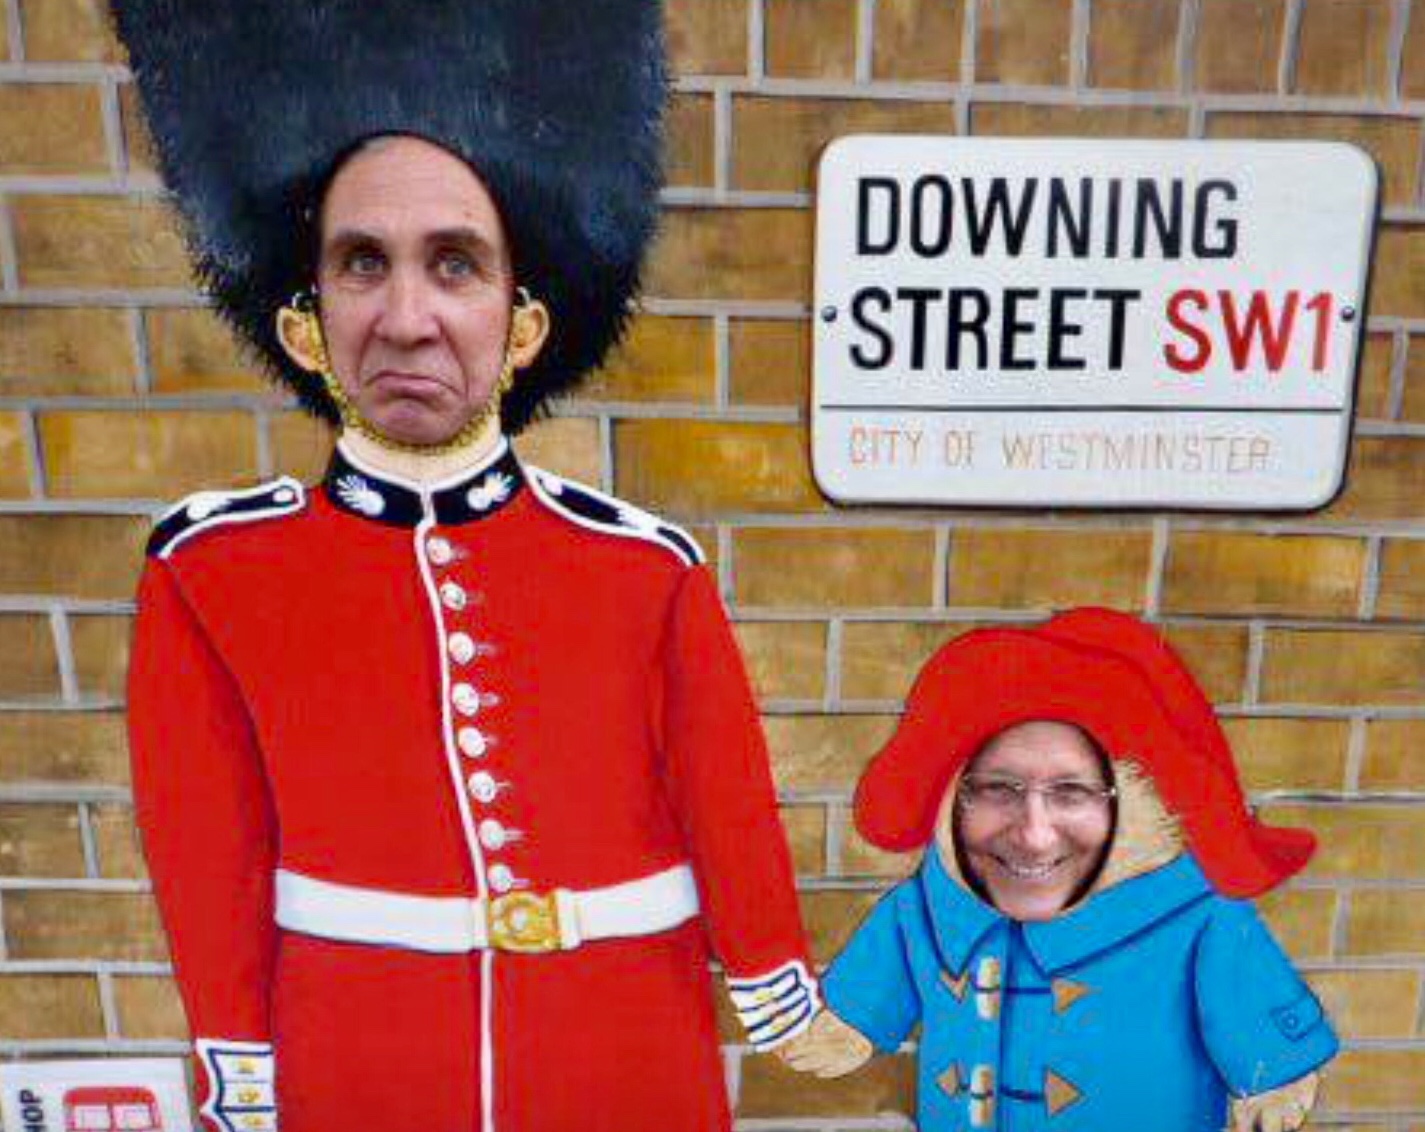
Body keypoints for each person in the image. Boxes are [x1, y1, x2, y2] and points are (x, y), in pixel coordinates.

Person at [115, 3, 817, 1131]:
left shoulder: (644, 570)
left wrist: (772, 974)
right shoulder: (213, 574)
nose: (407, 318)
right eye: (361, 264)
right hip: (360, 1061)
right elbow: (210, 848)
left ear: (521, 323)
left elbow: (723, 798)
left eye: (455, 265)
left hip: (624, 1051)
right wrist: (238, 1059)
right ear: (305, 324)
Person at [783, 608, 1337, 1132]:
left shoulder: (1199, 920)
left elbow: (1258, 1017)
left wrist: (1274, 1074)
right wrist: (851, 1022)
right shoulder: (928, 908)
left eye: (1071, 793)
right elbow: (882, 974)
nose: (1033, 833)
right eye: (997, 789)